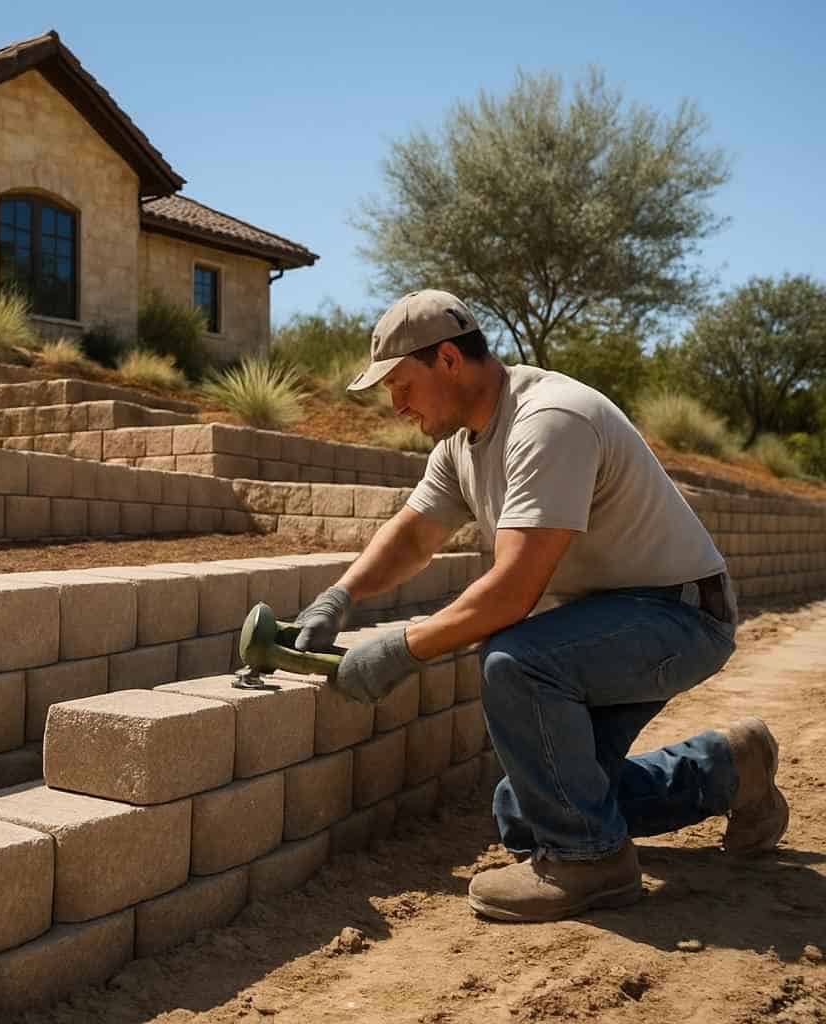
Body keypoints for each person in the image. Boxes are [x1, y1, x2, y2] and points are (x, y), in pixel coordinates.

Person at [292, 288, 790, 923]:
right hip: (608, 622)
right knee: (525, 812)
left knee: (516, 662)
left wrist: (401, 649)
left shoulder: (548, 420)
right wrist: (341, 596)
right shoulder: (462, 444)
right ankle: (730, 769)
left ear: (449, 359)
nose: (397, 406)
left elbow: (512, 592)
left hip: (681, 616)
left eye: (402, 385)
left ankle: (591, 862)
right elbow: (415, 536)